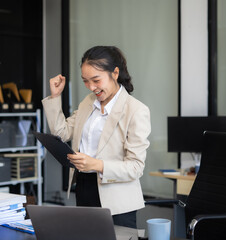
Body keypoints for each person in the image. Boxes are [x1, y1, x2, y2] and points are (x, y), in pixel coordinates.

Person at [42, 46, 151, 228]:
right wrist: (55, 96)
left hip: (117, 200)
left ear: (115, 73)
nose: (91, 87)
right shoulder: (88, 102)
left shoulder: (136, 110)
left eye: (96, 80)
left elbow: (136, 167)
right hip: (84, 187)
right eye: (85, 81)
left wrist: (97, 165)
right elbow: (62, 133)